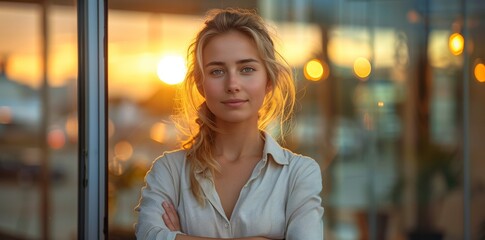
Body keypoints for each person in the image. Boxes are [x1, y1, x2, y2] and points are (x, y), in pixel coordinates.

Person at [135, 8, 324, 240]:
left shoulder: (299, 174)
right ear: (201, 85)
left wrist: (179, 236)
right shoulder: (169, 172)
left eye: (247, 69)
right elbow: (149, 235)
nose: (232, 84)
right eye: (217, 71)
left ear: (268, 81)